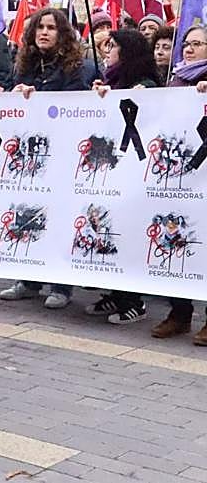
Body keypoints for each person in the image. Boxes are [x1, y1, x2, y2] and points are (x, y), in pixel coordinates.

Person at [0, 7, 96, 308]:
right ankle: (28, 279)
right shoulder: (25, 65)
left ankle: (61, 285)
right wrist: (15, 92)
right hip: (32, 155)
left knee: (61, 217)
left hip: (63, 154)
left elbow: (77, 106)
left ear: (62, 33)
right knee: (28, 212)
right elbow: (7, 100)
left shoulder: (77, 67)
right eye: (40, 27)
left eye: (51, 27)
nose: (44, 32)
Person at [85, 28, 159, 325]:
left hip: (135, 173)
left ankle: (134, 301)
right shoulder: (113, 81)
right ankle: (116, 293)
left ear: (126, 52)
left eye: (112, 46)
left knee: (128, 232)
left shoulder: (145, 85)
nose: (106, 51)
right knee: (109, 229)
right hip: (111, 171)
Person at [154, 24, 207, 344]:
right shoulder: (174, 78)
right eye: (186, 44)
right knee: (179, 241)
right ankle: (179, 313)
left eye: (197, 44)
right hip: (180, 176)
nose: (188, 49)